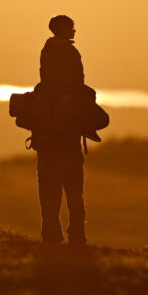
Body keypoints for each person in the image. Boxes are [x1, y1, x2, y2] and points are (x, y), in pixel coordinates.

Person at [35, 15, 87, 244]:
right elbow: (79, 82)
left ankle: (50, 234)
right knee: (74, 190)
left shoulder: (46, 50)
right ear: (63, 29)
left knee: (49, 190)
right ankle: (77, 234)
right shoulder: (71, 53)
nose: (74, 30)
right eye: (72, 27)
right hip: (69, 139)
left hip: (46, 140)